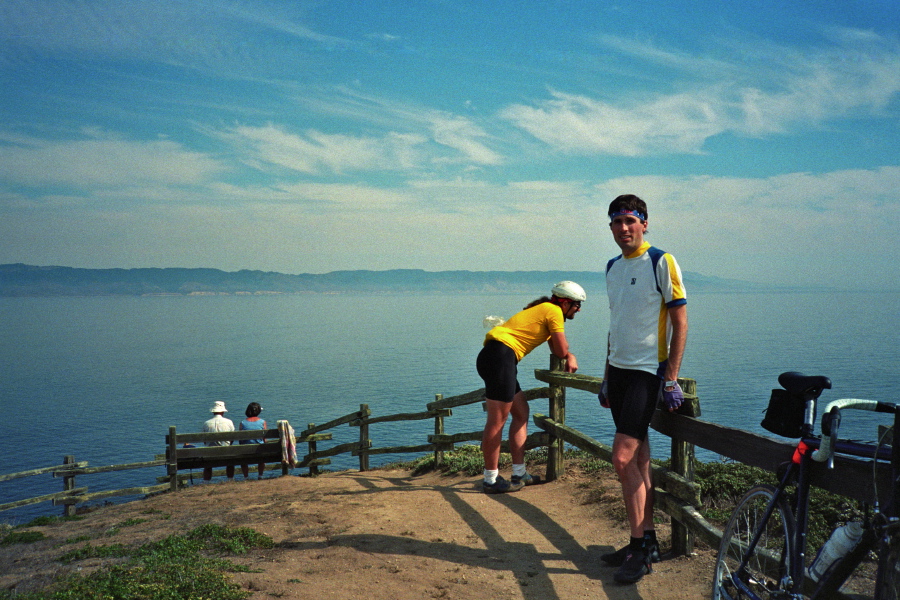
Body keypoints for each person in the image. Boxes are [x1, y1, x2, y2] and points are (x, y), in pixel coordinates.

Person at [597, 194, 688, 584]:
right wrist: (605, 374)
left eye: (631, 220)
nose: (624, 228)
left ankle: (638, 548)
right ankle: (646, 540)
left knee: (621, 458)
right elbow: (615, 323)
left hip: (646, 374)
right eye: (616, 222)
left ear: (645, 223)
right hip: (618, 373)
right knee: (639, 460)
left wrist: (670, 377)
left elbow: (681, 322)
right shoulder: (612, 268)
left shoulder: (661, 261)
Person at [477, 281, 585, 494]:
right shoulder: (553, 310)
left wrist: (567, 354)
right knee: (496, 421)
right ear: (564, 302)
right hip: (501, 358)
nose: (578, 309)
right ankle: (490, 479)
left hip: (495, 357)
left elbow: (557, 350)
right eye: (576, 304)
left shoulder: (543, 310)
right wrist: (569, 354)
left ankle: (519, 473)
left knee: (521, 412)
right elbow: (562, 349)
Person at [202, 400, 235, 481]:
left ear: (213, 411)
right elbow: (232, 438)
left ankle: (206, 482)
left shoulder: (206, 423)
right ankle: (230, 479)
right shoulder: (229, 422)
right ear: (223, 411)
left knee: (207, 464)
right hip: (226, 452)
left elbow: (204, 441)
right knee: (231, 461)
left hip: (210, 453)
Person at [239, 402, 267, 479]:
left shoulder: (243, 423)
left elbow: (240, 440)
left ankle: (246, 477)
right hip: (259, 450)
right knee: (262, 455)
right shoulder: (262, 422)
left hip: (246, 450)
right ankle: (260, 475)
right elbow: (265, 439)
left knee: (243, 458)